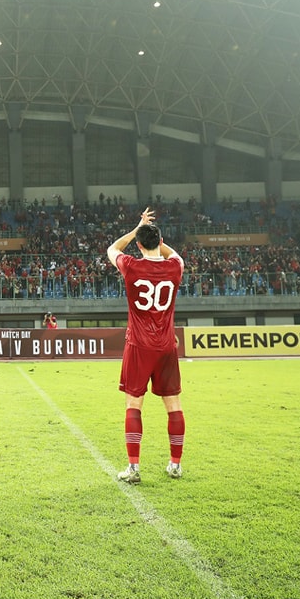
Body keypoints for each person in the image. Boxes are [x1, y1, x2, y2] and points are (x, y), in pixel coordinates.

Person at [106, 207, 185, 485]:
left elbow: (112, 248)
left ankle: (134, 468)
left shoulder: (131, 265)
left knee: (133, 405)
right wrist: (157, 241)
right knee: (173, 405)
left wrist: (136, 228)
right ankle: (175, 465)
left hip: (139, 345)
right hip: (166, 346)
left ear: (139, 245)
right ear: (161, 243)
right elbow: (173, 254)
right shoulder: (175, 266)